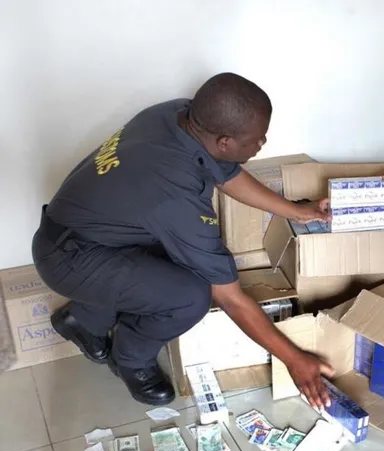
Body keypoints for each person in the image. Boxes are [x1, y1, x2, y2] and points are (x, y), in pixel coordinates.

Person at [32, 73, 334, 407]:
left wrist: (296, 211)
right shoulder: (174, 194)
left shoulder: (179, 115)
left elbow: (226, 174)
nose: (263, 142)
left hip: (85, 231)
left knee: (172, 256)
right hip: (69, 259)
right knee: (190, 297)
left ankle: (84, 320)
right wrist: (294, 359)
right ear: (224, 142)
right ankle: (130, 359)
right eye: (257, 139)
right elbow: (230, 299)